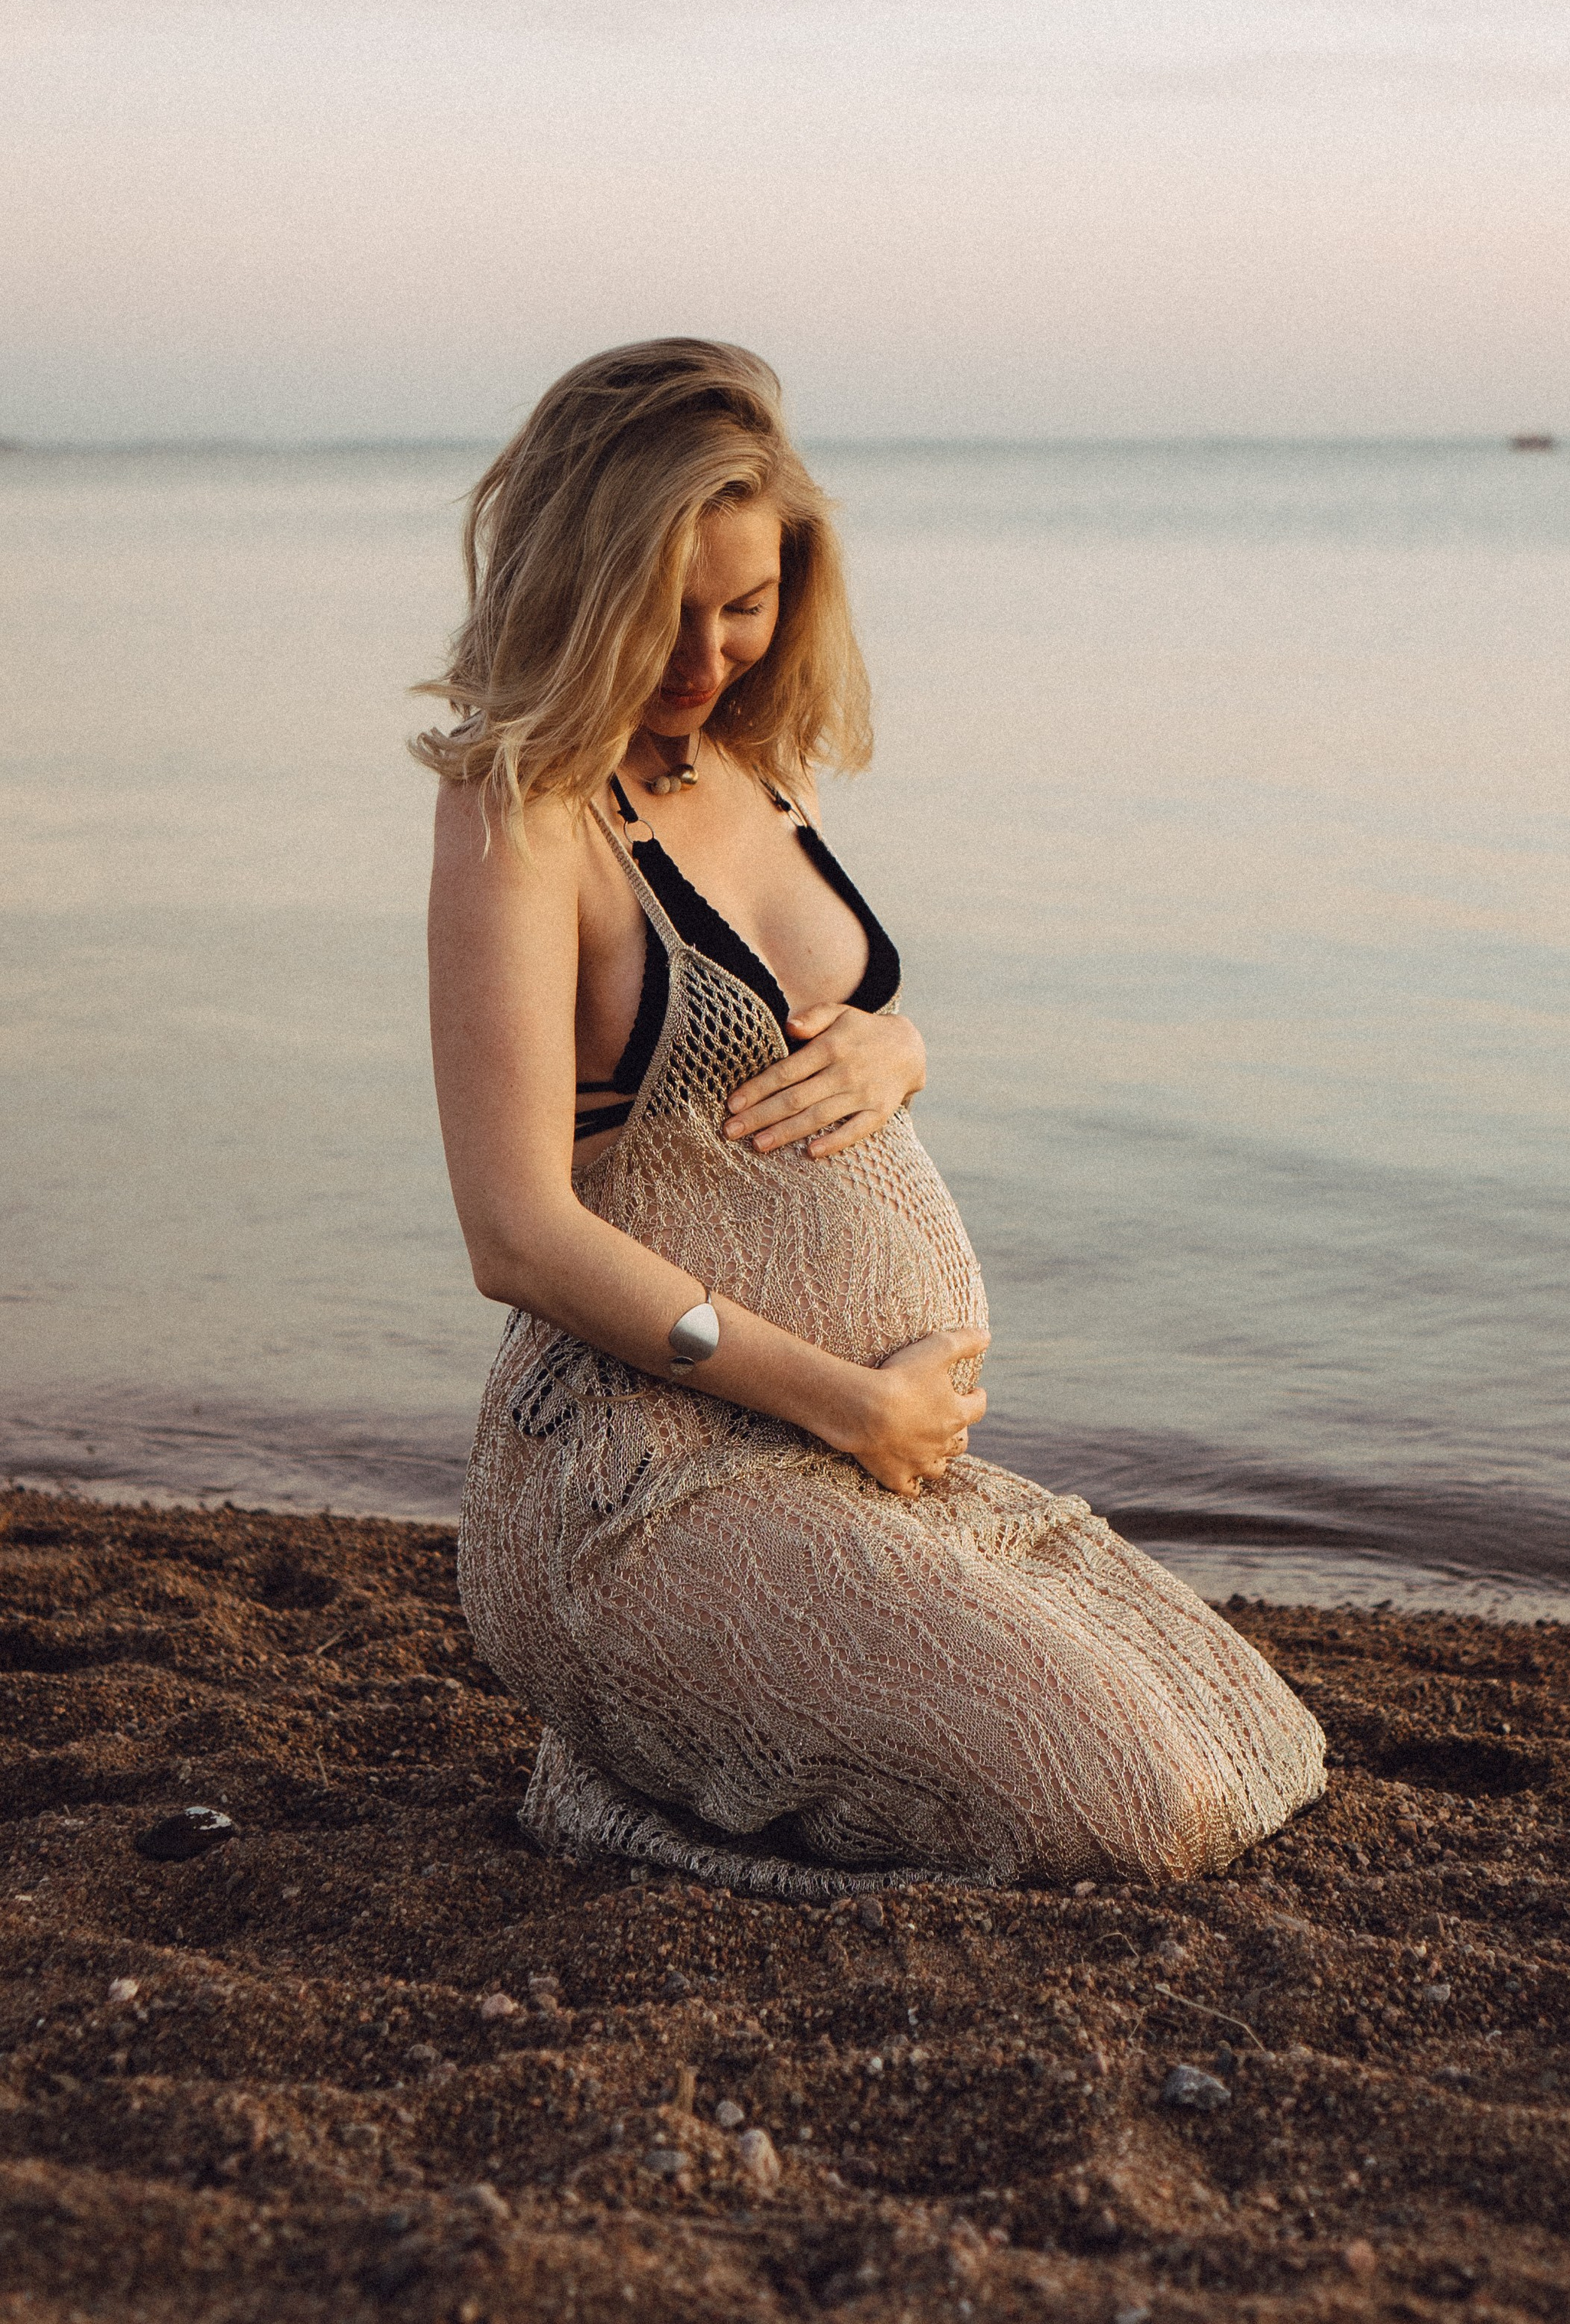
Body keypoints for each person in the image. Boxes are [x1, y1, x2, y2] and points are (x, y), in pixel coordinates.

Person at [419, 338, 1324, 1895]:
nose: (706, 658)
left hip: (846, 1464)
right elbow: (517, 1234)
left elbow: (793, 1026)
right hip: (644, 1481)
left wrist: (899, 1049)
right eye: (665, 614)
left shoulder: (758, 765)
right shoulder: (524, 812)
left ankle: (688, 1732)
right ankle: (615, 1792)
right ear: (580, 585)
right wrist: (846, 1399)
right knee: (1122, 1817)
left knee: (1254, 1750)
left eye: (745, 604)